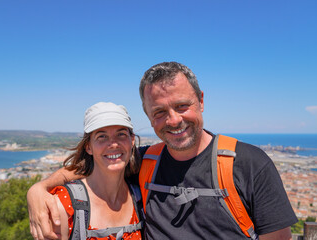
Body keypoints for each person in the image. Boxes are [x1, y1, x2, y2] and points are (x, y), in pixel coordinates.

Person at [27, 62, 298, 240]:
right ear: (147, 115)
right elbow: (93, 165)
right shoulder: (146, 161)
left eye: (182, 106)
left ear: (201, 101)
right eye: (159, 112)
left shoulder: (248, 164)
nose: (173, 120)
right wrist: (38, 189)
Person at [30, 102, 144, 240]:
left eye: (121, 134)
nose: (113, 143)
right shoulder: (64, 207)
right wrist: (38, 188)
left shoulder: (141, 196)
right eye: (102, 136)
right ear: (88, 147)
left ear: (132, 141)